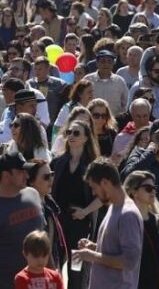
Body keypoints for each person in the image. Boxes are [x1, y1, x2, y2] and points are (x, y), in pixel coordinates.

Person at [0, 151, 45, 289]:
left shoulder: (33, 195)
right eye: (21, 172)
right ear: (6, 176)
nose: (27, 175)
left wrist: (53, 273)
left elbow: (43, 240)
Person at [73, 158, 143, 289]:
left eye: (94, 188)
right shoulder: (113, 207)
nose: (94, 193)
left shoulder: (128, 215)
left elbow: (129, 261)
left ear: (105, 182)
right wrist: (94, 247)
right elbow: (113, 249)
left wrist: (93, 256)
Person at [50, 120, 101, 289]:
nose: (71, 136)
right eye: (69, 132)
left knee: (77, 270)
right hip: (58, 223)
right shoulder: (57, 163)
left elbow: (104, 196)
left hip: (80, 225)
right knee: (54, 266)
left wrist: (85, 211)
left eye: (76, 133)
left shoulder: (93, 166)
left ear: (86, 138)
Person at [123, 170, 159, 289]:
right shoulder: (126, 221)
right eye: (148, 188)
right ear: (133, 192)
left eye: (154, 187)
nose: (153, 191)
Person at [26, 161, 67, 270]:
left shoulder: (50, 203)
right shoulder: (32, 209)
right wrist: (53, 272)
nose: (51, 180)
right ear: (31, 181)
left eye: (52, 175)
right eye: (46, 177)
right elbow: (42, 245)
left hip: (55, 261)